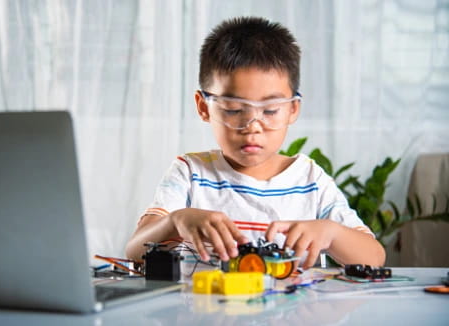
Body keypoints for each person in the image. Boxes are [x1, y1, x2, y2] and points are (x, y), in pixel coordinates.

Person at [125, 16, 385, 269]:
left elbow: (374, 258)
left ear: (293, 109)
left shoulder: (310, 181)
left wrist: (332, 233)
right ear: (204, 107)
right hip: (206, 311)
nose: (253, 127)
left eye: (270, 111)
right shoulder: (190, 173)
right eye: (234, 109)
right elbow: (135, 251)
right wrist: (174, 221)